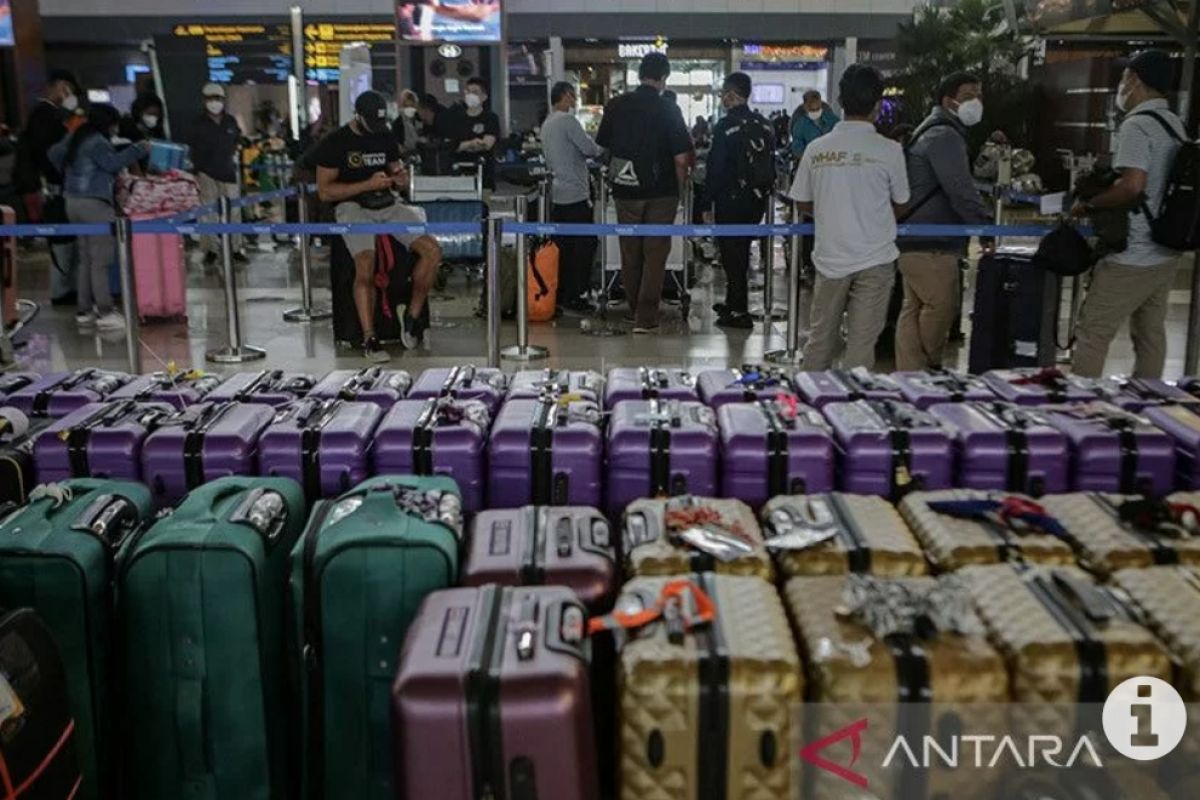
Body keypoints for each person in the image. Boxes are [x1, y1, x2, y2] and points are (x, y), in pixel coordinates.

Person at [1071, 49, 1185, 379]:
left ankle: (1079, 411)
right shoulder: (1174, 124)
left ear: (1134, 79)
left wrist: (1090, 204)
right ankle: (1148, 406)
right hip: (1165, 250)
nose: (1121, 86)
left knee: (1093, 333)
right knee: (1150, 335)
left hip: (1133, 253)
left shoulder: (1137, 125)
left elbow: (1132, 186)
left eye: (1123, 78)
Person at [789, 64, 910, 370]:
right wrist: (871, 214)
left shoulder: (817, 149)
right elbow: (902, 203)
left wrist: (832, 211)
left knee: (820, 341)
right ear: (879, 105)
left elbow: (802, 201)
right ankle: (852, 408)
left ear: (839, 102)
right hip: (876, 258)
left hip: (831, 258)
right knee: (861, 346)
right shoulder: (890, 150)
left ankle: (807, 406)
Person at [315, 90, 443, 361]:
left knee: (432, 251)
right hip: (353, 206)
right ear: (358, 116)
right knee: (365, 263)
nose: (376, 128)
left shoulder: (384, 135)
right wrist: (366, 185)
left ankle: (412, 315)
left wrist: (399, 178)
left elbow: (397, 171)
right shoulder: (335, 143)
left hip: (387, 203)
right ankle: (369, 337)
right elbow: (325, 192)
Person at [895, 72, 993, 371]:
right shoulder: (945, 135)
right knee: (939, 306)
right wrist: (984, 225)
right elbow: (960, 190)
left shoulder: (936, 129)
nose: (975, 102)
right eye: (967, 96)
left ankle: (910, 374)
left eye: (978, 95)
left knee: (914, 308)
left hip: (916, 236)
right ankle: (927, 368)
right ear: (948, 100)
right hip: (931, 241)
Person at [596, 52, 692, 334]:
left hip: (625, 189)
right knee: (655, 253)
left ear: (640, 75)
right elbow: (681, 158)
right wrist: (680, 189)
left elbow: (604, 147)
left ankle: (632, 310)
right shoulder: (668, 109)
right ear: (664, 78)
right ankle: (646, 318)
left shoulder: (616, 105)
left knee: (630, 251)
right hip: (661, 192)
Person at [48, 103, 149, 331]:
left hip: (71, 202)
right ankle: (105, 311)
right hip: (95, 204)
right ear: (109, 124)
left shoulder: (76, 137)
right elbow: (111, 163)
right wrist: (138, 149)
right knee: (101, 259)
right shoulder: (99, 142)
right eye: (114, 125)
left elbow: (53, 154)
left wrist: (68, 174)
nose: (115, 130)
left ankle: (84, 310)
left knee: (85, 258)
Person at [701, 71, 775, 330]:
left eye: (724, 93)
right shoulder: (765, 124)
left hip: (730, 199)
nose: (722, 98)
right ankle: (733, 302)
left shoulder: (725, 126)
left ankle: (738, 311)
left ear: (733, 95)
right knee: (740, 251)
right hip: (756, 200)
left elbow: (716, 168)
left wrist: (706, 202)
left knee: (733, 255)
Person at [14, 69, 80, 304]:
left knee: (66, 239)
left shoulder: (45, 115)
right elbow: (48, 154)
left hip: (53, 187)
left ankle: (66, 287)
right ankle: (61, 290)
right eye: (66, 88)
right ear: (56, 86)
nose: (68, 94)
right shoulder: (46, 115)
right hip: (52, 189)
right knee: (61, 239)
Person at [540, 81, 604, 314]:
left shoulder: (547, 123)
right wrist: (603, 150)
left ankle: (562, 294)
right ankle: (577, 295)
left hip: (558, 193)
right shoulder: (567, 120)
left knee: (564, 249)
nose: (575, 100)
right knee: (583, 247)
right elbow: (589, 148)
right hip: (576, 193)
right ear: (566, 96)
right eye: (573, 96)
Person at [184, 83, 247, 265]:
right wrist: (195, 172)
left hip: (228, 173)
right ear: (205, 101)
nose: (214, 103)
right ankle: (211, 249)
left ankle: (235, 249)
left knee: (234, 213)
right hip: (206, 174)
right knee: (208, 214)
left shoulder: (230, 121)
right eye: (210, 99)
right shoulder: (197, 123)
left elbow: (237, 140)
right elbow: (192, 148)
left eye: (217, 99)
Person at [444, 77, 500, 190]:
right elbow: (451, 146)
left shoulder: (490, 118)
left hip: (484, 175)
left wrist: (464, 145)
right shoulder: (456, 118)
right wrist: (471, 143)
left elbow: (487, 144)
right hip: (459, 174)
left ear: (484, 97)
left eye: (475, 92)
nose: (470, 95)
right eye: (468, 92)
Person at [790, 90, 839, 158]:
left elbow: (840, 136)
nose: (815, 112)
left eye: (818, 109)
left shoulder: (832, 119)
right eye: (812, 110)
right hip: (810, 159)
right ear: (805, 107)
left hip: (831, 158)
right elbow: (797, 149)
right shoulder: (800, 125)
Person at [393, 89, 421, 156]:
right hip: (420, 151)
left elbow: (395, 139)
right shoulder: (420, 116)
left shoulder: (398, 120)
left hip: (406, 153)